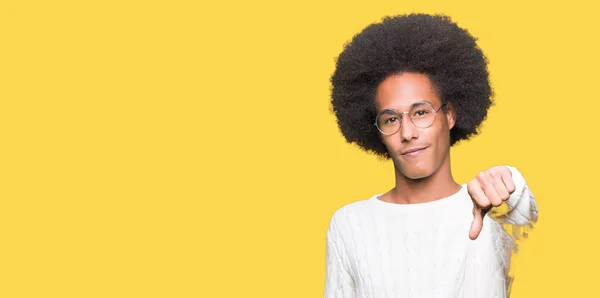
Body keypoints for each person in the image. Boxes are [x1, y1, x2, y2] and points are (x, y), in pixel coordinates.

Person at [324, 13, 538, 298]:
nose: (407, 132)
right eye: (390, 119)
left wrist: (509, 186)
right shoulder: (350, 224)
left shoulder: (492, 210)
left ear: (449, 114)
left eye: (421, 112)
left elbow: (524, 216)